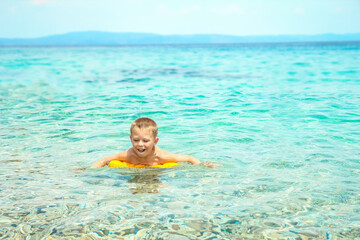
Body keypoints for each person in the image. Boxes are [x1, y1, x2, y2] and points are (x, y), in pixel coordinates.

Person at [90, 117, 219, 168]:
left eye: (146, 141)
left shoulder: (162, 157)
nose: (140, 144)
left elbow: (189, 158)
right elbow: (104, 160)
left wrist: (203, 166)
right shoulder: (129, 155)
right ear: (130, 139)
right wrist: (87, 171)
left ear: (155, 141)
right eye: (136, 140)